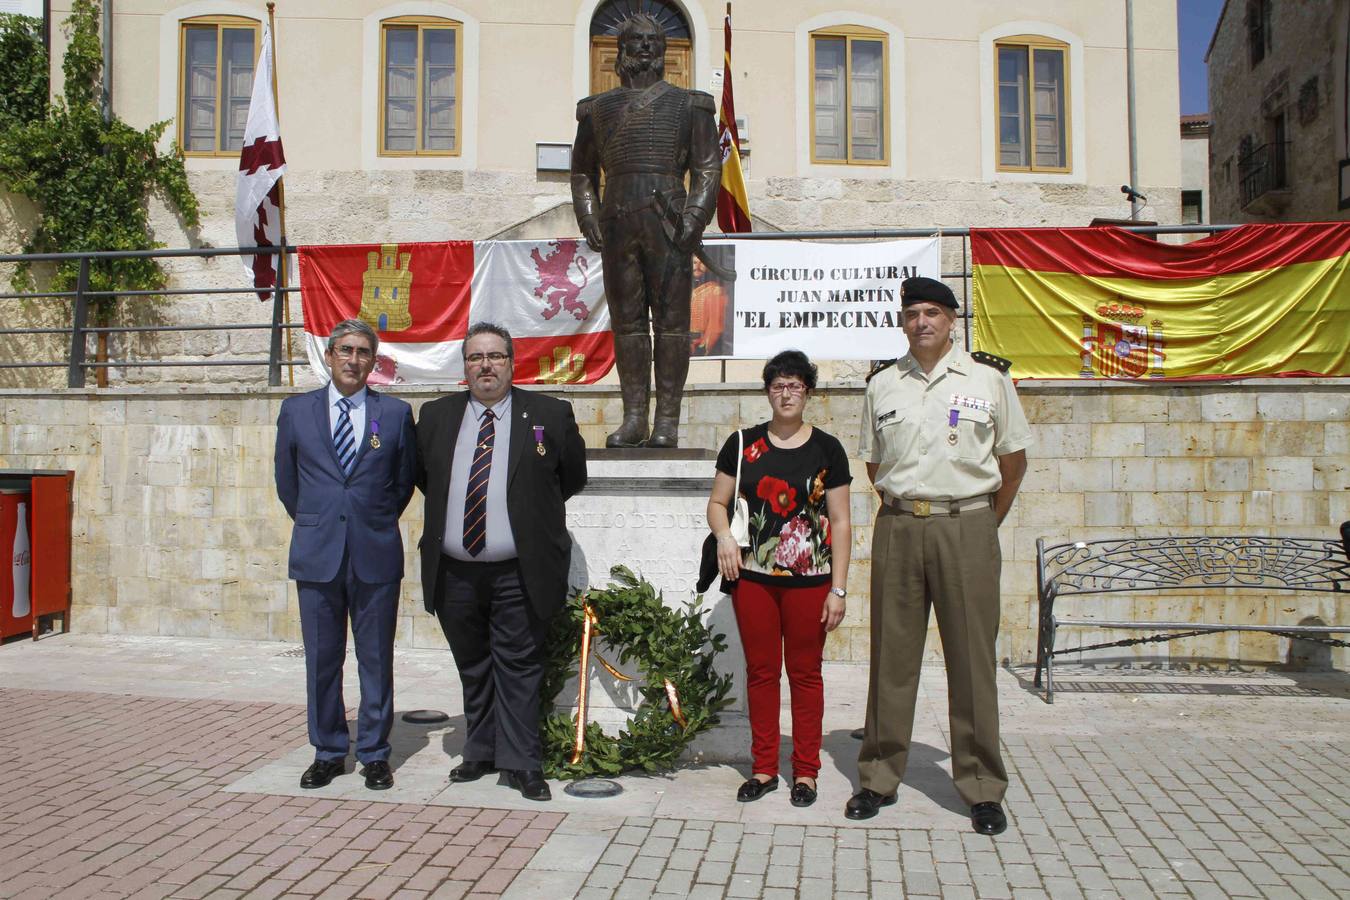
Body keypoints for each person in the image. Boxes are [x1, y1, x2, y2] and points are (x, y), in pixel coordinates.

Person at [848, 277, 1031, 835]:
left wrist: (980, 521)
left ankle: (981, 787)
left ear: (953, 320)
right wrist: (913, 509)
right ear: (902, 323)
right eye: (912, 314)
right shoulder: (883, 385)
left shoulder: (989, 379)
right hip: (901, 526)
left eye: (932, 312)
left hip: (968, 527)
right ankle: (879, 777)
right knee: (891, 659)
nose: (922, 322)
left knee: (972, 662)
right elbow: (876, 468)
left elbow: (1013, 460)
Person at [415, 322, 588, 801]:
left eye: (495, 356)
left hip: (519, 569)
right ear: (464, 367)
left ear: (512, 363)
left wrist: (522, 517)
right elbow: (427, 480)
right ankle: (481, 750)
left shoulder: (550, 415)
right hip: (455, 569)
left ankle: (522, 762)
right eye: (475, 358)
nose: (485, 365)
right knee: (472, 663)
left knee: (519, 666)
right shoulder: (434, 417)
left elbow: (570, 477)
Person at [274, 319, 418, 791]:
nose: (353, 360)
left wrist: (367, 521)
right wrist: (322, 521)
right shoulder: (296, 412)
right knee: (322, 658)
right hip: (318, 555)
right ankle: (329, 750)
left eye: (363, 352)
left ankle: (375, 753)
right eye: (345, 350)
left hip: (374, 553)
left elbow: (400, 485)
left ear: (373, 362)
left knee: (375, 658)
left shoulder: (394, 414)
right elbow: (288, 485)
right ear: (330, 355)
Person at [707, 350, 852, 808]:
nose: (786, 393)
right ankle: (765, 767)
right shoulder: (742, 444)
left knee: (806, 675)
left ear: (808, 391)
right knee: (762, 673)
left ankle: (806, 771)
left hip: (811, 581)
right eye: (777, 385)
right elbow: (717, 504)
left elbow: (842, 522)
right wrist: (723, 539)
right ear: (767, 392)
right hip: (754, 579)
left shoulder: (828, 448)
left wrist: (839, 589)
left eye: (794, 385)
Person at [570, 12, 721, 448]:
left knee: (672, 325)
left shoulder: (690, 105)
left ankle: (667, 421)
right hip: (618, 223)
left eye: (652, 40)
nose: (643, 47)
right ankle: (635, 417)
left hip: (669, 222)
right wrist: (588, 216)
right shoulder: (596, 110)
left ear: (664, 49)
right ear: (620, 50)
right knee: (628, 325)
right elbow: (582, 173)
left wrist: (695, 216)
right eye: (634, 40)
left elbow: (707, 167)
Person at [689, 255, 729, 357]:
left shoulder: (715, 291)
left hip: (701, 344)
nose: (697, 266)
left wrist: (704, 345)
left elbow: (715, 325)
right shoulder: (688, 290)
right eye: (694, 263)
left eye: (701, 263)